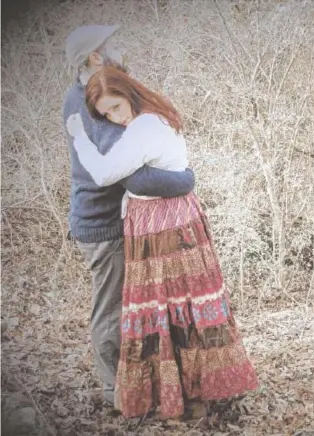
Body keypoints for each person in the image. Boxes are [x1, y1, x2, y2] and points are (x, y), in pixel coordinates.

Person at [65, 67, 259, 419]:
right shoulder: (153, 117)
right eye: (107, 114)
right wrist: (184, 180)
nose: (115, 119)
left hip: (163, 225)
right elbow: (151, 177)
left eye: (116, 108)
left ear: (129, 94)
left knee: (172, 308)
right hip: (170, 220)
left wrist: (79, 135)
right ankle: (193, 392)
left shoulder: (144, 126)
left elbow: (108, 173)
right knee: (180, 305)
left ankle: (189, 393)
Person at [63, 25, 196, 408]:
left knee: (135, 305)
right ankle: (115, 392)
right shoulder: (86, 102)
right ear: (95, 57)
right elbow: (132, 174)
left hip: (120, 219)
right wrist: (184, 179)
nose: (120, 48)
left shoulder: (101, 90)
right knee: (113, 309)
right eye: (111, 45)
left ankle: (144, 387)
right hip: (101, 224)